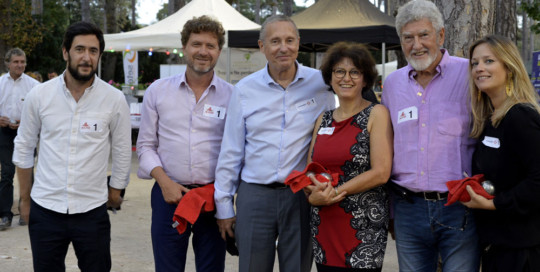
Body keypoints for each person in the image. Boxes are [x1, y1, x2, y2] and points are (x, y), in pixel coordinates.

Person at [214, 15, 335, 272]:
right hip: (254, 195)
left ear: (298, 43)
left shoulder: (322, 85)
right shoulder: (244, 90)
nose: (283, 47)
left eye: (289, 40)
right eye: (275, 41)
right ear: (262, 47)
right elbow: (231, 151)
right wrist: (223, 205)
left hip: (301, 195)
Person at [12, 21, 131, 271]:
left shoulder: (114, 99)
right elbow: (24, 148)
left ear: (99, 55)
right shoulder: (39, 96)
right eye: (79, 49)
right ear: (65, 52)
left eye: (93, 51)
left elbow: (122, 150)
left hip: (92, 211)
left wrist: (115, 192)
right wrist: (25, 200)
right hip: (46, 208)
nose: (86, 57)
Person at [380, 0, 480, 271]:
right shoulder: (392, 84)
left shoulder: (470, 73)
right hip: (407, 208)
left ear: (441, 35)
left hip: (460, 206)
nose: (417, 44)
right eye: (408, 37)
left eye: (424, 34)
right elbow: (388, 147)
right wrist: (391, 212)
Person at [136, 15, 232, 272]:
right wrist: (164, 182)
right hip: (168, 197)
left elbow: (235, 151)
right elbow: (145, 146)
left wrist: (226, 201)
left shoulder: (232, 96)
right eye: (196, 44)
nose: (203, 51)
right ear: (184, 48)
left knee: (212, 268)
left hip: (212, 198)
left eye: (210, 46)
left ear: (219, 51)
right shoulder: (157, 91)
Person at [305, 41, 393, 271]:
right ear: (330, 77)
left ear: (365, 79)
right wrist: (311, 195)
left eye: (355, 72)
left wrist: (334, 192)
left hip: (363, 227)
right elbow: (311, 169)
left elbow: (381, 173)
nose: (346, 78)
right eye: (339, 71)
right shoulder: (323, 119)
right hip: (324, 222)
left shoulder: (377, 113)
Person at [463, 35, 540, 272]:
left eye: (489, 61)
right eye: (475, 63)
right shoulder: (491, 119)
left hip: (523, 251)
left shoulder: (521, 117)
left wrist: (495, 204)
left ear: (509, 67)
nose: (480, 68)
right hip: (498, 246)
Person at [0, 48, 39, 230]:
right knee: (7, 173)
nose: (20, 65)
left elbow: (41, 111)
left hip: (26, 133)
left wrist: (26, 121)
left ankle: (26, 211)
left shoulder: (33, 85)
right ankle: (5, 215)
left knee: (27, 172)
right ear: (8, 63)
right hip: (4, 133)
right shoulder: (0, 83)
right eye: (16, 62)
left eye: (22, 62)